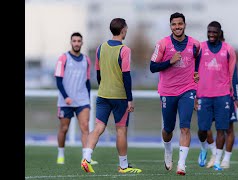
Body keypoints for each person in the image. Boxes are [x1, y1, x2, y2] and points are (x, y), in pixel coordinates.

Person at [81, 18, 142, 174]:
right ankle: (123, 166)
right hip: (119, 97)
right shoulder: (125, 50)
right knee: (121, 130)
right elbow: (126, 76)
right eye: (126, 29)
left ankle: (86, 158)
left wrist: (104, 86)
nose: (126, 31)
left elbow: (99, 74)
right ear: (123, 30)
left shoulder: (100, 48)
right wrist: (129, 99)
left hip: (103, 94)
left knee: (98, 128)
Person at [150, 12, 200, 176]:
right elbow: (152, 67)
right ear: (170, 26)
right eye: (174, 24)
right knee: (168, 129)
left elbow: (198, 63)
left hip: (188, 90)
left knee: (185, 126)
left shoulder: (195, 44)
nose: (177, 27)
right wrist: (169, 62)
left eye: (180, 24)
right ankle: (168, 150)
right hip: (168, 91)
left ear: (185, 25)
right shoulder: (162, 44)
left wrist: (197, 78)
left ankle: (181, 165)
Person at [194, 21, 237, 171]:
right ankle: (204, 149)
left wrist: (236, 98)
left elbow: (233, 75)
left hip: (223, 95)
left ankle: (218, 161)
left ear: (220, 33)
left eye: (214, 32)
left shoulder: (228, 50)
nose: (211, 35)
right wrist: (194, 94)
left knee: (221, 129)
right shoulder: (200, 48)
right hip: (203, 96)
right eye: (209, 32)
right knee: (202, 130)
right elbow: (193, 72)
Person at [54, 32, 97, 165]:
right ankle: (60, 154)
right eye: (74, 41)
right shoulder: (63, 58)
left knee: (85, 127)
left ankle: (85, 158)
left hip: (82, 100)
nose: (77, 43)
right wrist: (66, 97)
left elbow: (87, 81)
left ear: (82, 43)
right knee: (64, 128)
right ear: (71, 42)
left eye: (79, 41)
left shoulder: (86, 60)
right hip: (65, 101)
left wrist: (87, 98)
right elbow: (58, 80)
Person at [203, 30, 238, 169]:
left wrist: (237, 98)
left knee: (228, 129)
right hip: (208, 95)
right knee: (206, 127)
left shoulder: (230, 52)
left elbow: (235, 77)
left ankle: (226, 159)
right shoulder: (205, 50)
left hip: (226, 96)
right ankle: (214, 153)